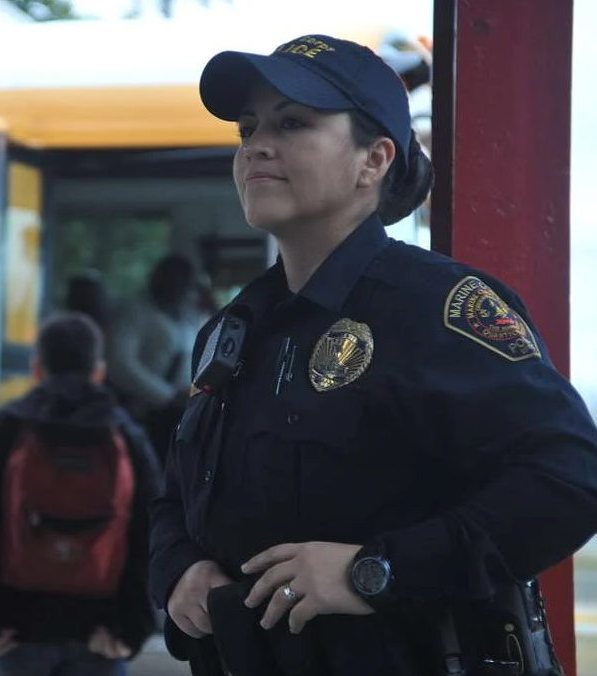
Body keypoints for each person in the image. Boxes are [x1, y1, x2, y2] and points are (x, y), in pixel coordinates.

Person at [148, 33, 597, 676]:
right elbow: (174, 498)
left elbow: (570, 481)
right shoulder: (230, 331)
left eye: (292, 123)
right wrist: (178, 569)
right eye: (248, 129)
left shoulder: (435, 307)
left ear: (374, 159)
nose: (256, 146)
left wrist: (374, 572)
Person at [0, 312, 160, 676]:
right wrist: (133, 629)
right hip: (100, 632)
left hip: (17, 629)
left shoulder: (7, 427)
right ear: (99, 372)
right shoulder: (125, 434)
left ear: (37, 369)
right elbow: (150, 530)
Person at [106, 254, 203, 463]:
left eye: (186, 283)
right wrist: (167, 395)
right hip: (145, 413)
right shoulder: (134, 312)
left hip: (181, 412)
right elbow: (120, 363)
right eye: (175, 280)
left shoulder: (186, 316)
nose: (181, 288)